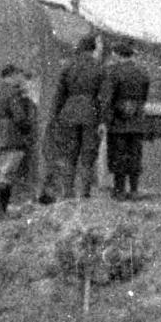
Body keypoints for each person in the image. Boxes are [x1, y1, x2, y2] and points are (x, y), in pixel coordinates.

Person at [42, 35, 106, 202]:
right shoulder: (99, 67)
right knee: (88, 153)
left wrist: (53, 117)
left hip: (68, 113)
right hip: (90, 113)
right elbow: (105, 97)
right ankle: (84, 194)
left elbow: (59, 95)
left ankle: (67, 192)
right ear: (92, 48)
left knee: (68, 154)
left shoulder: (68, 66)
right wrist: (103, 120)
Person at [0, 64, 37, 216]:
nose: (21, 78)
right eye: (19, 75)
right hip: (8, 135)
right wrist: (28, 127)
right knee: (6, 176)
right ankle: (0, 211)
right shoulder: (13, 93)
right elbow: (19, 117)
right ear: (12, 75)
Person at [100, 40, 152, 198]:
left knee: (118, 154)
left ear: (117, 54)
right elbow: (144, 97)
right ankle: (134, 190)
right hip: (136, 118)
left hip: (118, 120)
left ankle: (119, 190)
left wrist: (104, 119)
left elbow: (107, 98)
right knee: (135, 154)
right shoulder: (142, 72)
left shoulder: (113, 72)